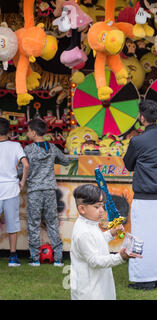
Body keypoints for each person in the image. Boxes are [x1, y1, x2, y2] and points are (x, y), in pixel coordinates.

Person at [123, 99, 157, 290]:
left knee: (141, 238)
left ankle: (144, 279)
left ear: (142, 117)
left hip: (145, 196)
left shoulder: (137, 141)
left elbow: (128, 165)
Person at [70, 184, 138, 300]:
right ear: (82, 209)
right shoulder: (83, 232)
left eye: (102, 206)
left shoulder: (90, 223)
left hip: (98, 283)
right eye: (97, 207)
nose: (102, 211)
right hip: (90, 291)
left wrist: (110, 234)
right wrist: (120, 257)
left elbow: (96, 241)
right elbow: (94, 261)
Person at [24, 118, 70, 267]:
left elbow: (21, 169)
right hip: (50, 190)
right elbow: (65, 161)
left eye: (28, 130)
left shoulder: (28, 150)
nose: (26, 133)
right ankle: (58, 258)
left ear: (33, 132)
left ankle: (35, 258)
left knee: (33, 223)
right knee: (52, 223)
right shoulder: (52, 148)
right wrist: (51, 160)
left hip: (34, 191)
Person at [0, 118, 29, 267]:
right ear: (9, 131)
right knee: (12, 225)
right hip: (11, 189)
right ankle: (12, 257)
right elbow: (25, 164)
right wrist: (22, 182)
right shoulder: (15, 145)